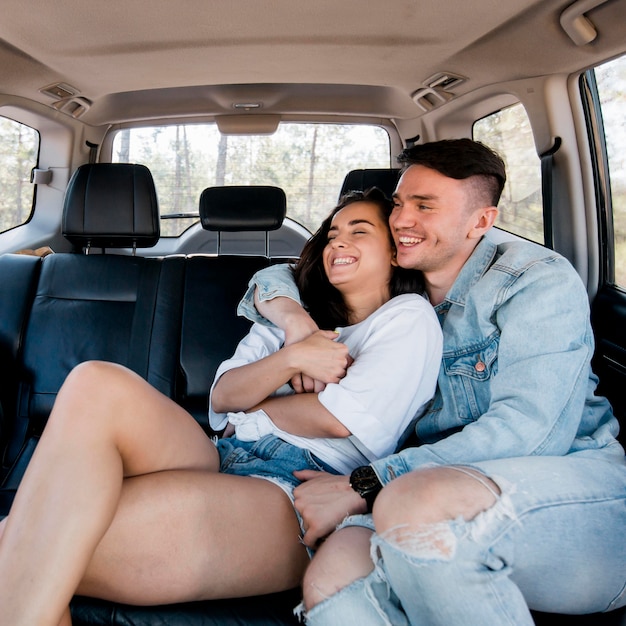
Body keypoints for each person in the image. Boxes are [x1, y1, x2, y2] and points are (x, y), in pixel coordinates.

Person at [0, 189, 442, 626]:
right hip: (219, 452)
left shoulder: (406, 317)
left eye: (359, 231)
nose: (338, 242)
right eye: (331, 234)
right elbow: (223, 396)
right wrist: (292, 355)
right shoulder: (289, 317)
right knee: (94, 380)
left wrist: (259, 404)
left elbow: (337, 420)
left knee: (21, 549)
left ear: (395, 249)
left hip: (297, 485)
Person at [238, 138, 626, 624]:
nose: (401, 220)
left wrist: (367, 483)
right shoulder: (401, 277)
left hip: (577, 493)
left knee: (415, 502)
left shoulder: (533, 280)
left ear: (481, 222)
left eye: (425, 206)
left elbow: (533, 433)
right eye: (400, 204)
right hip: (416, 487)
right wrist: (296, 323)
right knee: (331, 577)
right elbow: (281, 274)